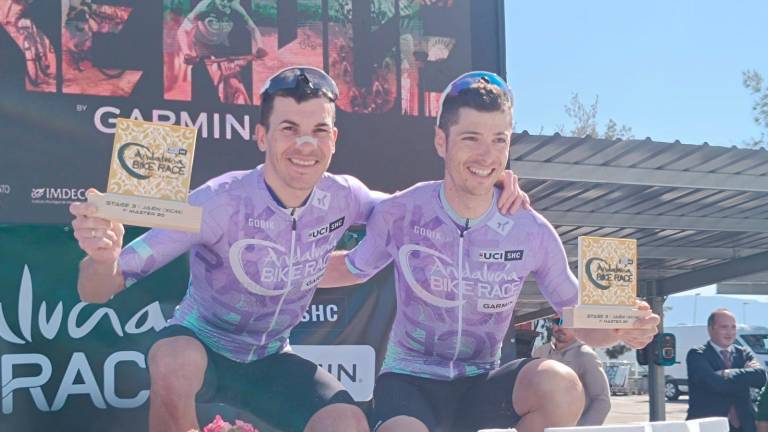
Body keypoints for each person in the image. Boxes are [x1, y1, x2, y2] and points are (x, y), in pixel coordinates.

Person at [69, 66, 528, 432]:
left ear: (334, 139)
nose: (305, 144)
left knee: (346, 422)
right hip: (203, 345)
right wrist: (102, 257)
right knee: (173, 359)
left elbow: (427, 211)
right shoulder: (218, 201)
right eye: (289, 128)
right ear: (262, 137)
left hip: (272, 356)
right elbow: (97, 290)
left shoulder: (346, 196)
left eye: (319, 130)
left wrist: (487, 182)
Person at [319, 71, 660, 432]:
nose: (487, 155)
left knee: (561, 386)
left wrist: (623, 326)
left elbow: (579, 318)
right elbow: (353, 268)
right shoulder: (404, 210)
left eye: (499, 140)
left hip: (482, 382)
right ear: (441, 141)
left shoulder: (530, 230)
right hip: (409, 380)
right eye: (471, 138)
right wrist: (271, 267)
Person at [686, 308, 767, 432]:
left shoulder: (743, 353)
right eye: (724, 327)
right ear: (710, 329)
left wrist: (725, 374)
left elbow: (761, 377)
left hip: (745, 426)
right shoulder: (697, 354)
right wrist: (744, 379)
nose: (730, 332)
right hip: (709, 426)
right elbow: (714, 383)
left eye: (733, 327)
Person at [533, 316, 611, 426]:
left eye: (567, 321)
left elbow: (602, 401)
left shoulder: (585, 355)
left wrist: (580, 429)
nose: (561, 326)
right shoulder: (541, 352)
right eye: (557, 321)